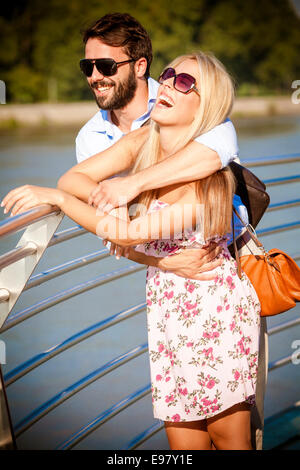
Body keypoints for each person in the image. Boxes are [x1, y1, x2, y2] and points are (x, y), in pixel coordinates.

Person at [1, 51, 261, 450]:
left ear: (204, 104)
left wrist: (62, 200)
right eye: (169, 74)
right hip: (168, 308)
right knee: (182, 441)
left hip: (213, 310)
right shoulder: (146, 143)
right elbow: (76, 178)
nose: (170, 83)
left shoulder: (209, 179)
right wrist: (115, 198)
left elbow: (125, 235)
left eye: (185, 82)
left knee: (227, 437)